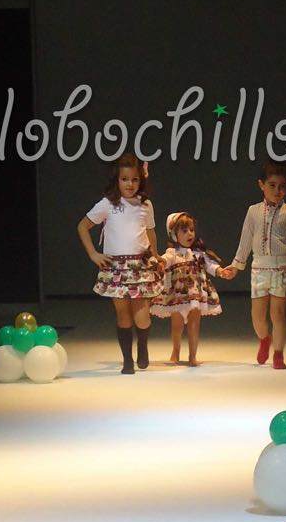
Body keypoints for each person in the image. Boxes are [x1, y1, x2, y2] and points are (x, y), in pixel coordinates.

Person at [76, 153, 164, 374]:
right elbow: (83, 226)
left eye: (134, 179)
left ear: (141, 180)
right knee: (123, 314)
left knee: (142, 316)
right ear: (116, 180)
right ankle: (127, 360)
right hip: (116, 267)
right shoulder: (108, 204)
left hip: (140, 266)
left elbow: (150, 232)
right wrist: (93, 254)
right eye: (125, 179)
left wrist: (156, 254)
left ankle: (142, 345)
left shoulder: (145, 204)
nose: (130, 184)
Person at [224, 160, 286, 369]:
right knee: (257, 316)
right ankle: (265, 339)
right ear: (261, 184)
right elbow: (245, 240)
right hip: (259, 269)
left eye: (282, 186)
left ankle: (279, 354)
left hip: (282, 269)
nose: (277, 191)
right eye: (272, 185)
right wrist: (236, 265)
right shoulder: (253, 211)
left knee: (278, 313)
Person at [152, 212, 231, 366]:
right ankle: (175, 351)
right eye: (184, 231)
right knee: (177, 325)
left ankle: (192, 355)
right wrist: (160, 264)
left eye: (192, 230)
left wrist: (220, 271)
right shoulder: (172, 253)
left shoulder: (198, 253)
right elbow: (165, 260)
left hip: (196, 295)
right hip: (178, 296)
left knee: (194, 324)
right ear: (174, 235)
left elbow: (210, 265)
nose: (190, 234)